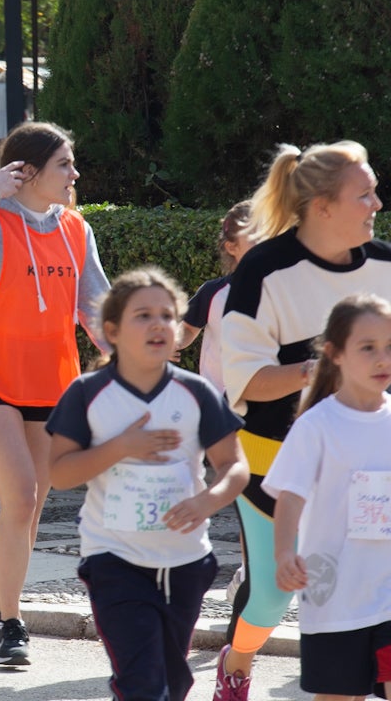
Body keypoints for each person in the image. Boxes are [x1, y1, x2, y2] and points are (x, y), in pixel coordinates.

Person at [216, 140, 391, 700]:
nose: (377, 204)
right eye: (364, 194)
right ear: (322, 207)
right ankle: (237, 663)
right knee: (271, 598)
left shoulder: (386, 265)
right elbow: (244, 383)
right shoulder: (265, 269)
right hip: (275, 459)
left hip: (369, 464)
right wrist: (323, 371)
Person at [0, 121, 110, 666]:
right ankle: (10, 623)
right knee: (19, 495)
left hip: (49, 383)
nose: (74, 174)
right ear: (27, 171)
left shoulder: (77, 228)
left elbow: (95, 305)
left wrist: (132, 358)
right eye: (65, 164)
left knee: (31, 506)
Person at [49, 266, 249, 701]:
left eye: (167, 316)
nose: (159, 324)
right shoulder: (87, 393)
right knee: (143, 683)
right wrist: (122, 445)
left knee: (173, 683)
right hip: (113, 559)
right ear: (112, 330)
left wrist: (206, 502)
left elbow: (235, 467)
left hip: (186, 562)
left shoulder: (198, 393)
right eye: (143, 315)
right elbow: (59, 473)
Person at [265, 293, 391, 701]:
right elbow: (291, 497)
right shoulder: (317, 425)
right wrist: (284, 553)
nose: (382, 359)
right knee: (340, 696)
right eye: (368, 347)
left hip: (388, 591)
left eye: (390, 347)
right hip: (335, 597)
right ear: (334, 354)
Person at [176, 200, 254, 392]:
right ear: (231, 247)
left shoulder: (281, 292)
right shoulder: (213, 293)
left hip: (265, 404)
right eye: (255, 237)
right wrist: (170, 343)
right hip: (218, 403)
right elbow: (188, 328)